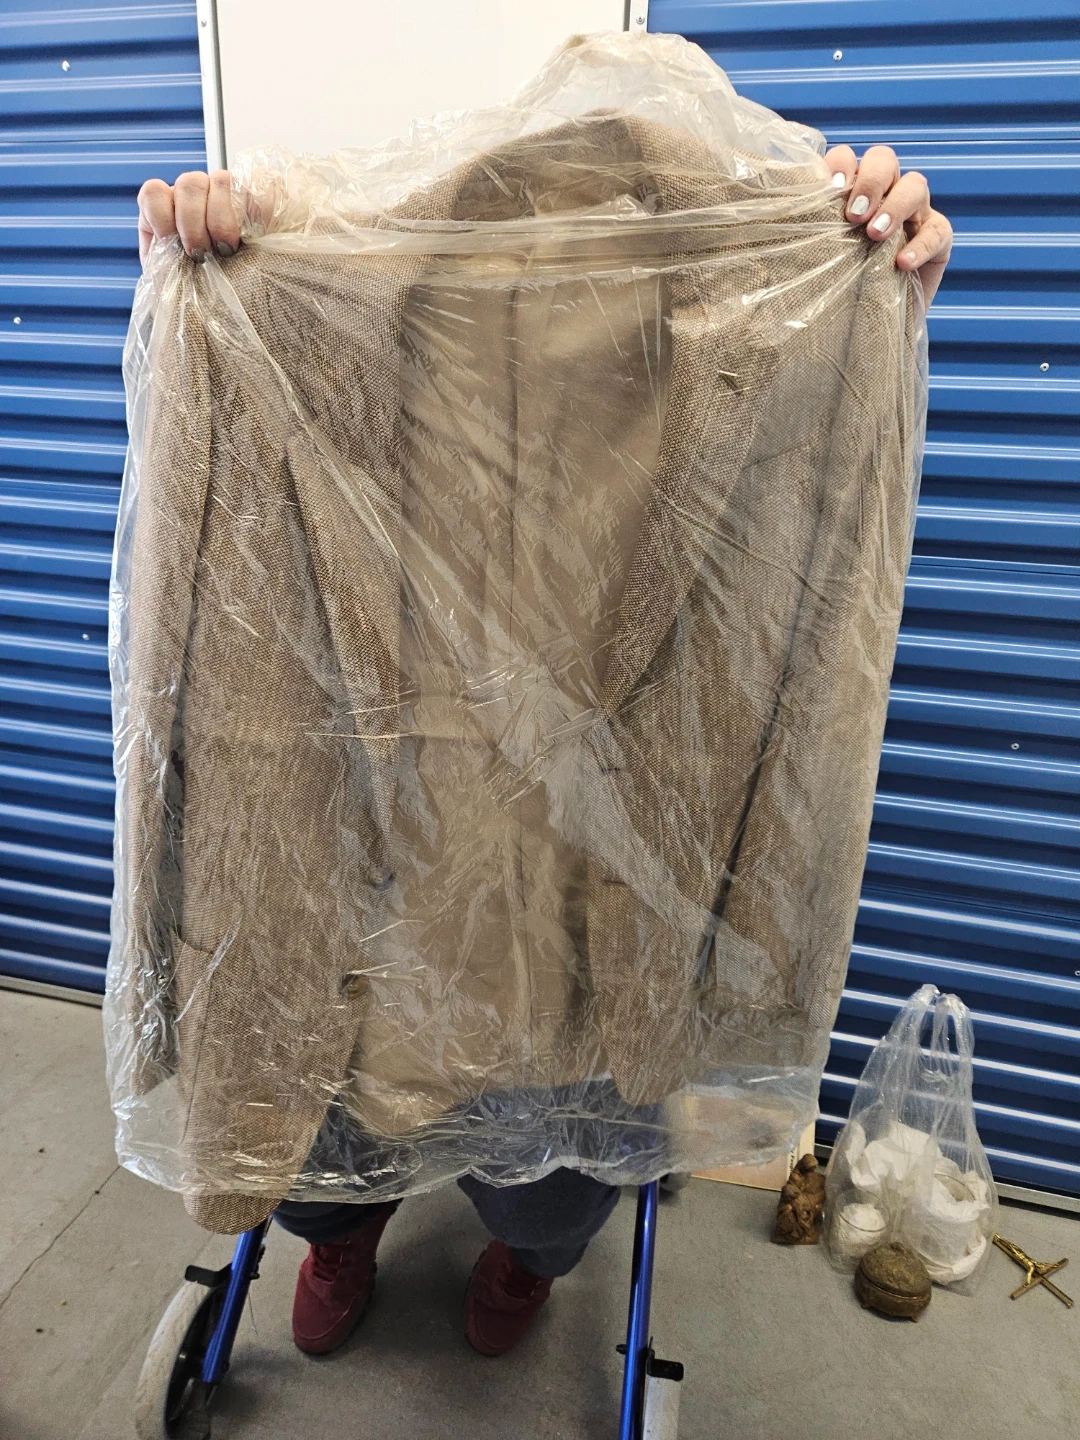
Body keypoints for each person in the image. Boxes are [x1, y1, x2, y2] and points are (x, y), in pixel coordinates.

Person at [134, 143, 952, 1361]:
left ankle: (523, 1263)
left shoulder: (765, 326)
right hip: (344, 901)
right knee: (311, 1162)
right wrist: (194, 260)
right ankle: (345, 1233)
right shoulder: (300, 302)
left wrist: (876, 282)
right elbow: (169, 664)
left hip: (582, 930)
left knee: (553, 1200)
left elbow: (825, 660)